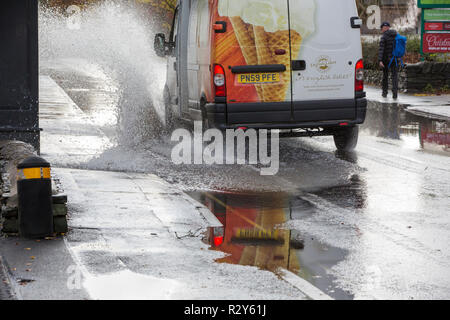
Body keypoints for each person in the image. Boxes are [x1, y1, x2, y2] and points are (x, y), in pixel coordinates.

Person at [378, 22, 398, 99]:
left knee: (385, 76)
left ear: (383, 28)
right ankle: (395, 94)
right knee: (394, 76)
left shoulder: (384, 36)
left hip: (386, 60)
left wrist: (380, 60)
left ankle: (384, 92)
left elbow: (381, 49)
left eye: (382, 28)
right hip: (395, 59)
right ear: (389, 27)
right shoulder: (396, 35)